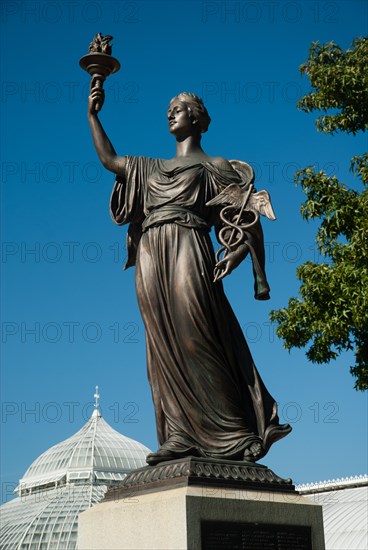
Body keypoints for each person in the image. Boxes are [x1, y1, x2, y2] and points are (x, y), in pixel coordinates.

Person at [88, 87, 291, 465]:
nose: (171, 114)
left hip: (189, 243)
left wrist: (236, 253)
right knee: (162, 342)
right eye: (168, 109)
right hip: (151, 250)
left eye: (179, 109)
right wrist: (93, 114)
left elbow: (248, 219)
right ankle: (179, 434)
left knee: (196, 335)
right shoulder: (148, 167)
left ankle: (235, 432)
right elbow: (109, 160)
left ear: (196, 118)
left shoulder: (213, 166)